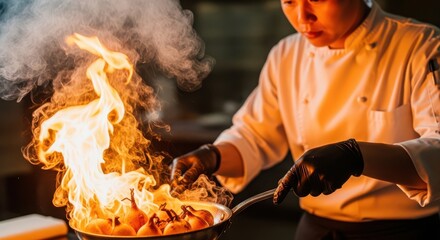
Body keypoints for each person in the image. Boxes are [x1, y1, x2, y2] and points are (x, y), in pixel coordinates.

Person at [170, 0, 440, 239]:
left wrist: (356, 156)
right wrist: (212, 156)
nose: (302, 17)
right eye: (289, 1)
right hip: (315, 230)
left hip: (402, 231)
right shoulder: (286, 55)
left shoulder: (420, 45)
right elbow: (254, 135)